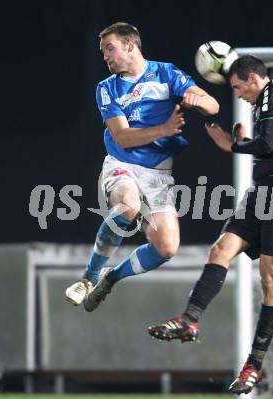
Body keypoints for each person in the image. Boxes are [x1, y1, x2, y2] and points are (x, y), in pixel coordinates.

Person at [148, 55, 273, 395]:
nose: (236, 94)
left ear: (252, 78)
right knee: (220, 248)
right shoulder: (264, 101)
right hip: (261, 194)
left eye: (237, 87)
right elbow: (269, 145)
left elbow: (265, 145)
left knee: (270, 280)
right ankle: (189, 320)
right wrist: (243, 144)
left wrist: (232, 145)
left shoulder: (272, 94)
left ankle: (254, 365)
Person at [65, 22, 219, 311]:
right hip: (121, 164)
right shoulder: (106, 89)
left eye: (109, 49)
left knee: (167, 247)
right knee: (128, 205)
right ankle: (89, 277)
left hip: (158, 175)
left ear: (130, 45)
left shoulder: (166, 74)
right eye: (102, 52)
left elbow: (213, 106)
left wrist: (197, 99)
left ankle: (111, 279)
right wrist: (165, 129)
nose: (106, 57)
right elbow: (122, 137)